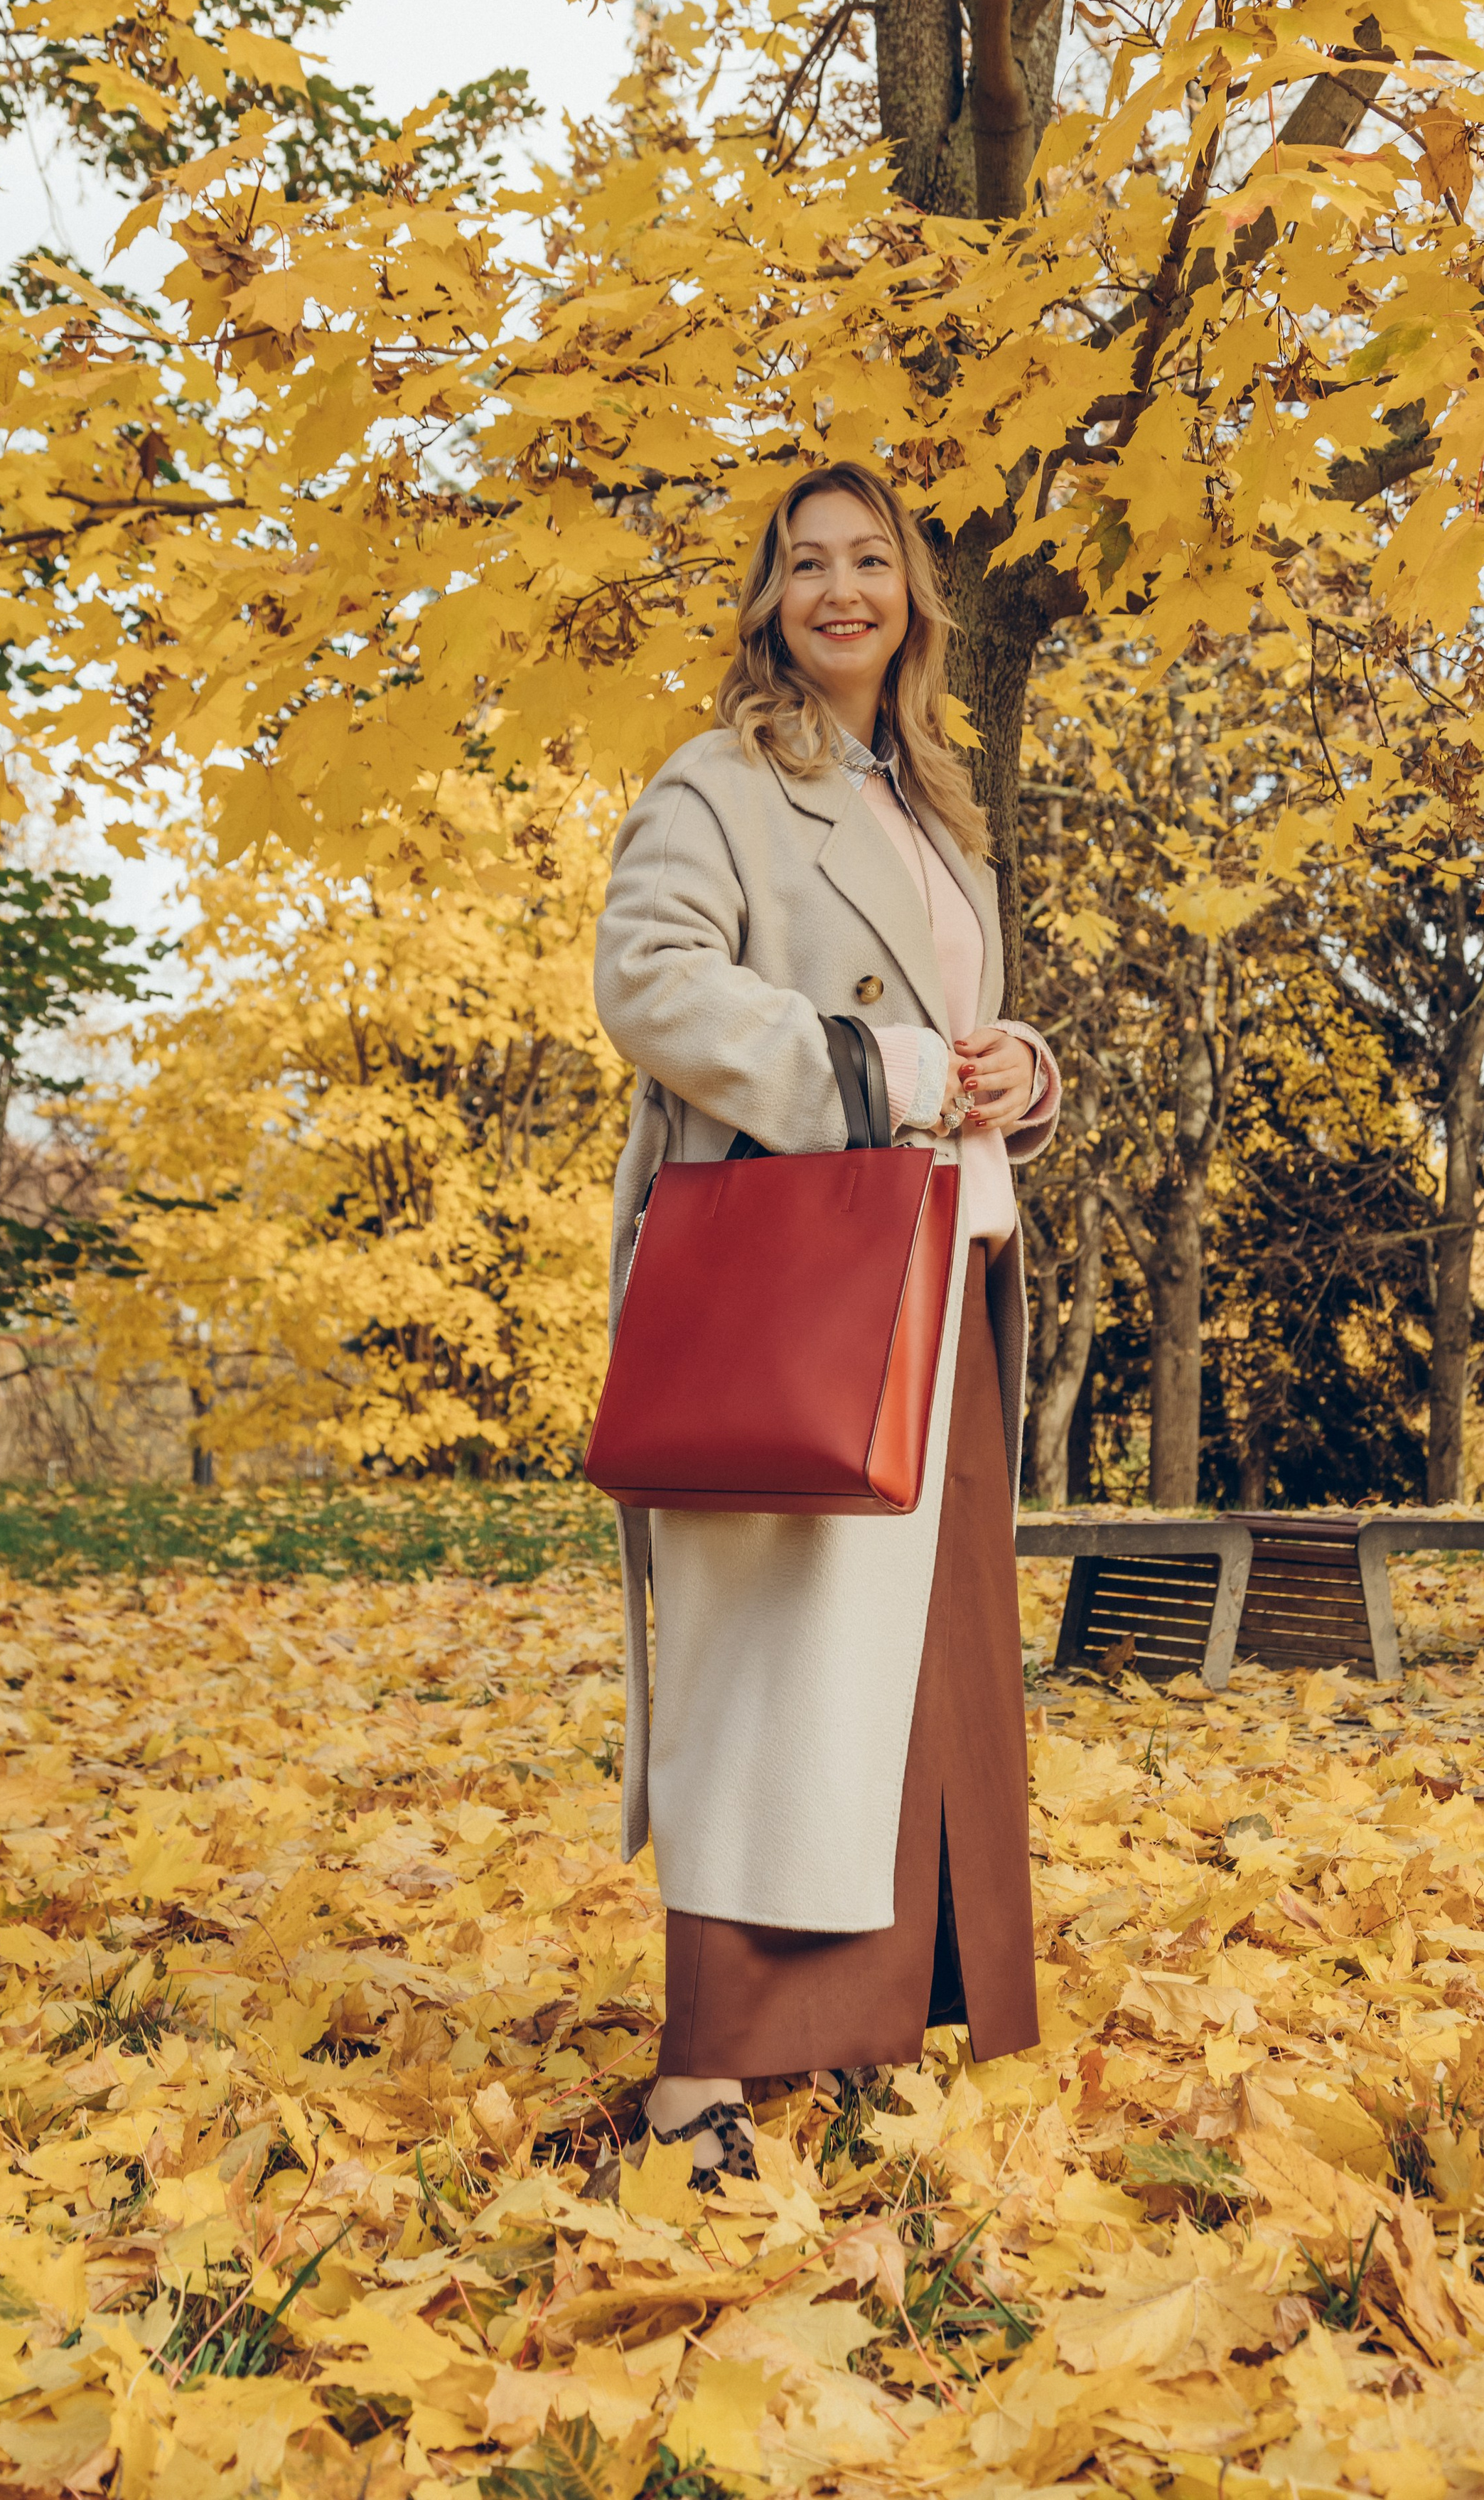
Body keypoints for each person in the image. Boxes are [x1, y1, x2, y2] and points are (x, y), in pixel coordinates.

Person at [591, 460, 1061, 2190]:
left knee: (916, 1683)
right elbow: (648, 979)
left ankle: (860, 2027)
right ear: (771, 599)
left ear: (913, 602)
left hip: (950, 1265)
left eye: (871, 562)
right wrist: (888, 1073)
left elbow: (963, 1030)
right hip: (803, 1280)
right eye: (809, 564)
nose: (841, 590)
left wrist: (1018, 1066)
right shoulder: (719, 784)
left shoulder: (928, 804)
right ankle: (699, 2078)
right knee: (778, 1675)